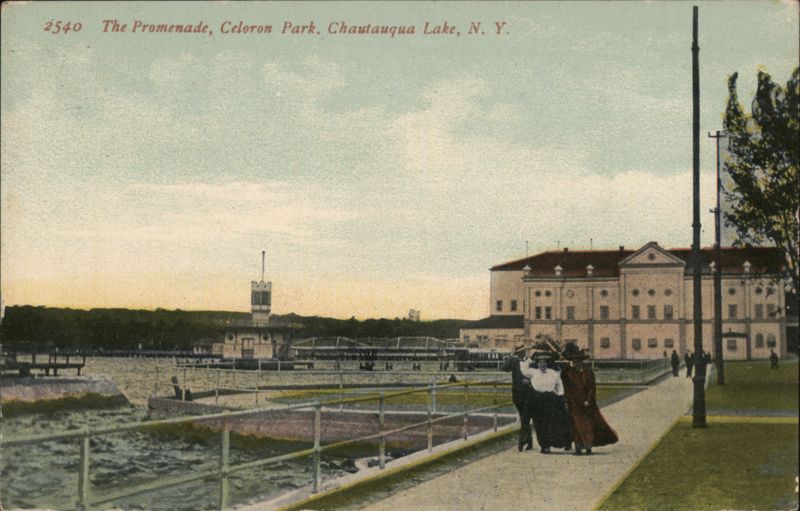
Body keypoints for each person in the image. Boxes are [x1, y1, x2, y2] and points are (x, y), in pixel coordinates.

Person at [561, 343, 618, 455]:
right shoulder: (569, 373)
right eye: (574, 361)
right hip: (574, 404)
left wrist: (588, 400)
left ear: (581, 361)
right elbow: (567, 388)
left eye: (578, 361)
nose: (576, 363)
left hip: (587, 404)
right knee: (576, 425)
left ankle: (588, 447)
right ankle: (578, 448)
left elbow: (592, 388)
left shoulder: (588, 373)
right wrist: (568, 401)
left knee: (588, 425)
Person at [520, 351, 573, 453]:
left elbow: (559, 385)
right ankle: (545, 446)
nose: (542, 364)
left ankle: (563, 442)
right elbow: (523, 369)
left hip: (551, 400)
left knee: (552, 423)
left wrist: (561, 396)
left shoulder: (553, 373)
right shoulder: (533, 372)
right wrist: (528, 358)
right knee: (539, 424)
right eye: (540, 362)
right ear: (537, 363)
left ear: (547, 363)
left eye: (544, 362)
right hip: (537, 400)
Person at [502, 345, 534, 451]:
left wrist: (529, 382)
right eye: (518, 352)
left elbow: (537, 376)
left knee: (525, 418)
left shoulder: (531, 362)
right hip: (517, 394)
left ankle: (521, 441)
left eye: (522, 351)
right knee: (524, 418)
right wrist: (511, 355)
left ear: (524, 351)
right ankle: (529, 441)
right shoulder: (514, 361)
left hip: (528, 393)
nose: (520, 353)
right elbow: (504, 368)